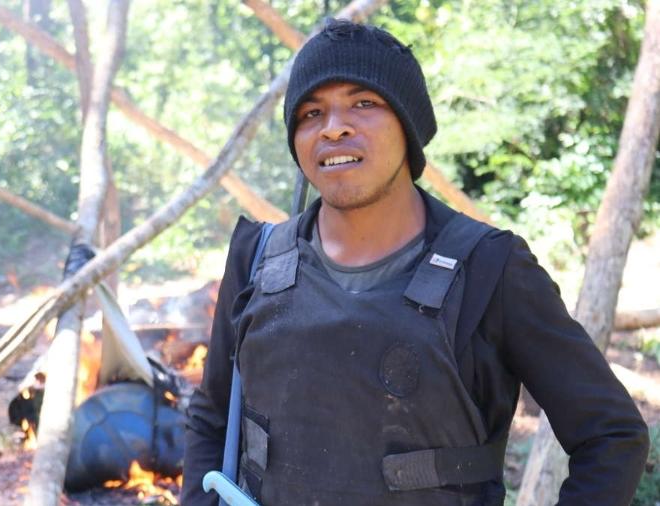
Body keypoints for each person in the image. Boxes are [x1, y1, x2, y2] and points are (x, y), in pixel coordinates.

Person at [182, 19, 649, 506]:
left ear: (408, 127)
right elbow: (212, 417)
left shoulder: (492, 268)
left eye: (364, 103)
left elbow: (612, 437)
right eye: (311, 112)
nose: (333, 126)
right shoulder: (257, 258)